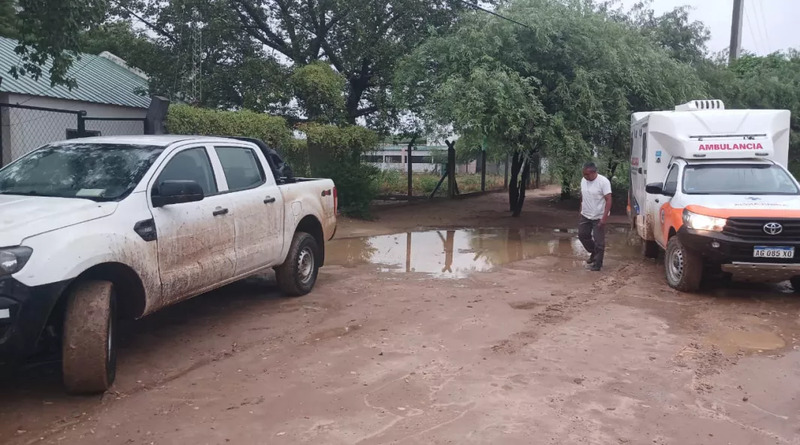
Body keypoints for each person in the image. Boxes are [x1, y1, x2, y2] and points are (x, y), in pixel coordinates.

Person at [578, 162, 612, 271]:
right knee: (582, 235)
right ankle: (593, 252)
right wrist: (581, 210)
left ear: (593, 173)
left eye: (587, 174)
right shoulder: (584, 180)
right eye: (583, 174)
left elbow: (609, 200)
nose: (585, 176)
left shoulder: (603, 182)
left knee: (599, 242)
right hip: (585, 214)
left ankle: (598, 264)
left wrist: (604, 218)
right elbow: (583, 196)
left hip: (598, 216)